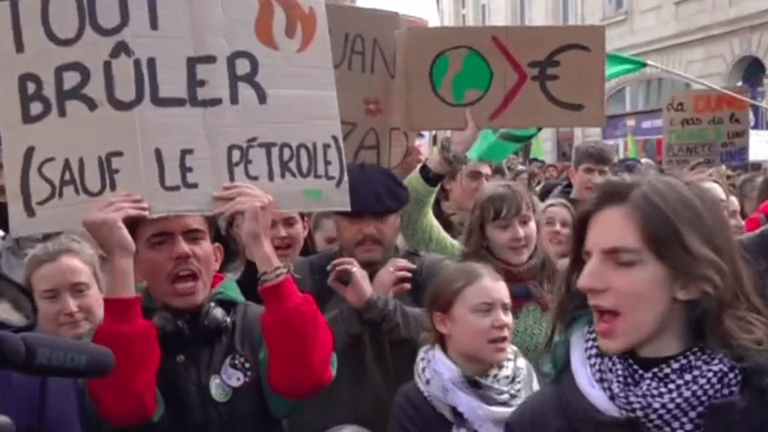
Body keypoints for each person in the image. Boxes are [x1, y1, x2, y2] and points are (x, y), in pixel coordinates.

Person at [506, 176, 768, 432]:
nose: (586, 282)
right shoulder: (539, 421)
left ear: (689, 280)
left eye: (622, 261)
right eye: (587, 259)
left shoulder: (756, 406)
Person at [81, 184, 335, 432]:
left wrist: (260, 243)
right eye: (160, 242)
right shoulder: (112, 339)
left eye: (194, 237)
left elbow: (307, 376)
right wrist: (120, 258)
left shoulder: (256, 325)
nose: (182, 251)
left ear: (216, 257)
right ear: (136, 265)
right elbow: (125, 408)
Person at [287, 163, 445, 432]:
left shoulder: (428, 274)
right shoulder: (306, 276)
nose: (368, 230)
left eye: (381, 218)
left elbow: (456, 334)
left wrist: (378, 306)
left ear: (400, 219)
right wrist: (355, 311)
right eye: (355, 219)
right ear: (335, 221)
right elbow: (294, 358)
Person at [388, 262, 539, 432]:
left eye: (506, 309)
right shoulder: (415, 404)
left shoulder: (529, 384)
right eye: (485, 311)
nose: (502, 321)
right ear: (443, 322)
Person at [0, 234, 105, 432]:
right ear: (31, 305)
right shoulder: (14, 371)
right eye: (51, 297)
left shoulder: (144, 350)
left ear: (102, 290)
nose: (70, 308)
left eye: (80, 291)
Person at [547, 141, 613, 208]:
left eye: (602, 173)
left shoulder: (616, 210)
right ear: (572, 174)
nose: (596, 180)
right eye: (589, 171)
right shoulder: (554, 213)